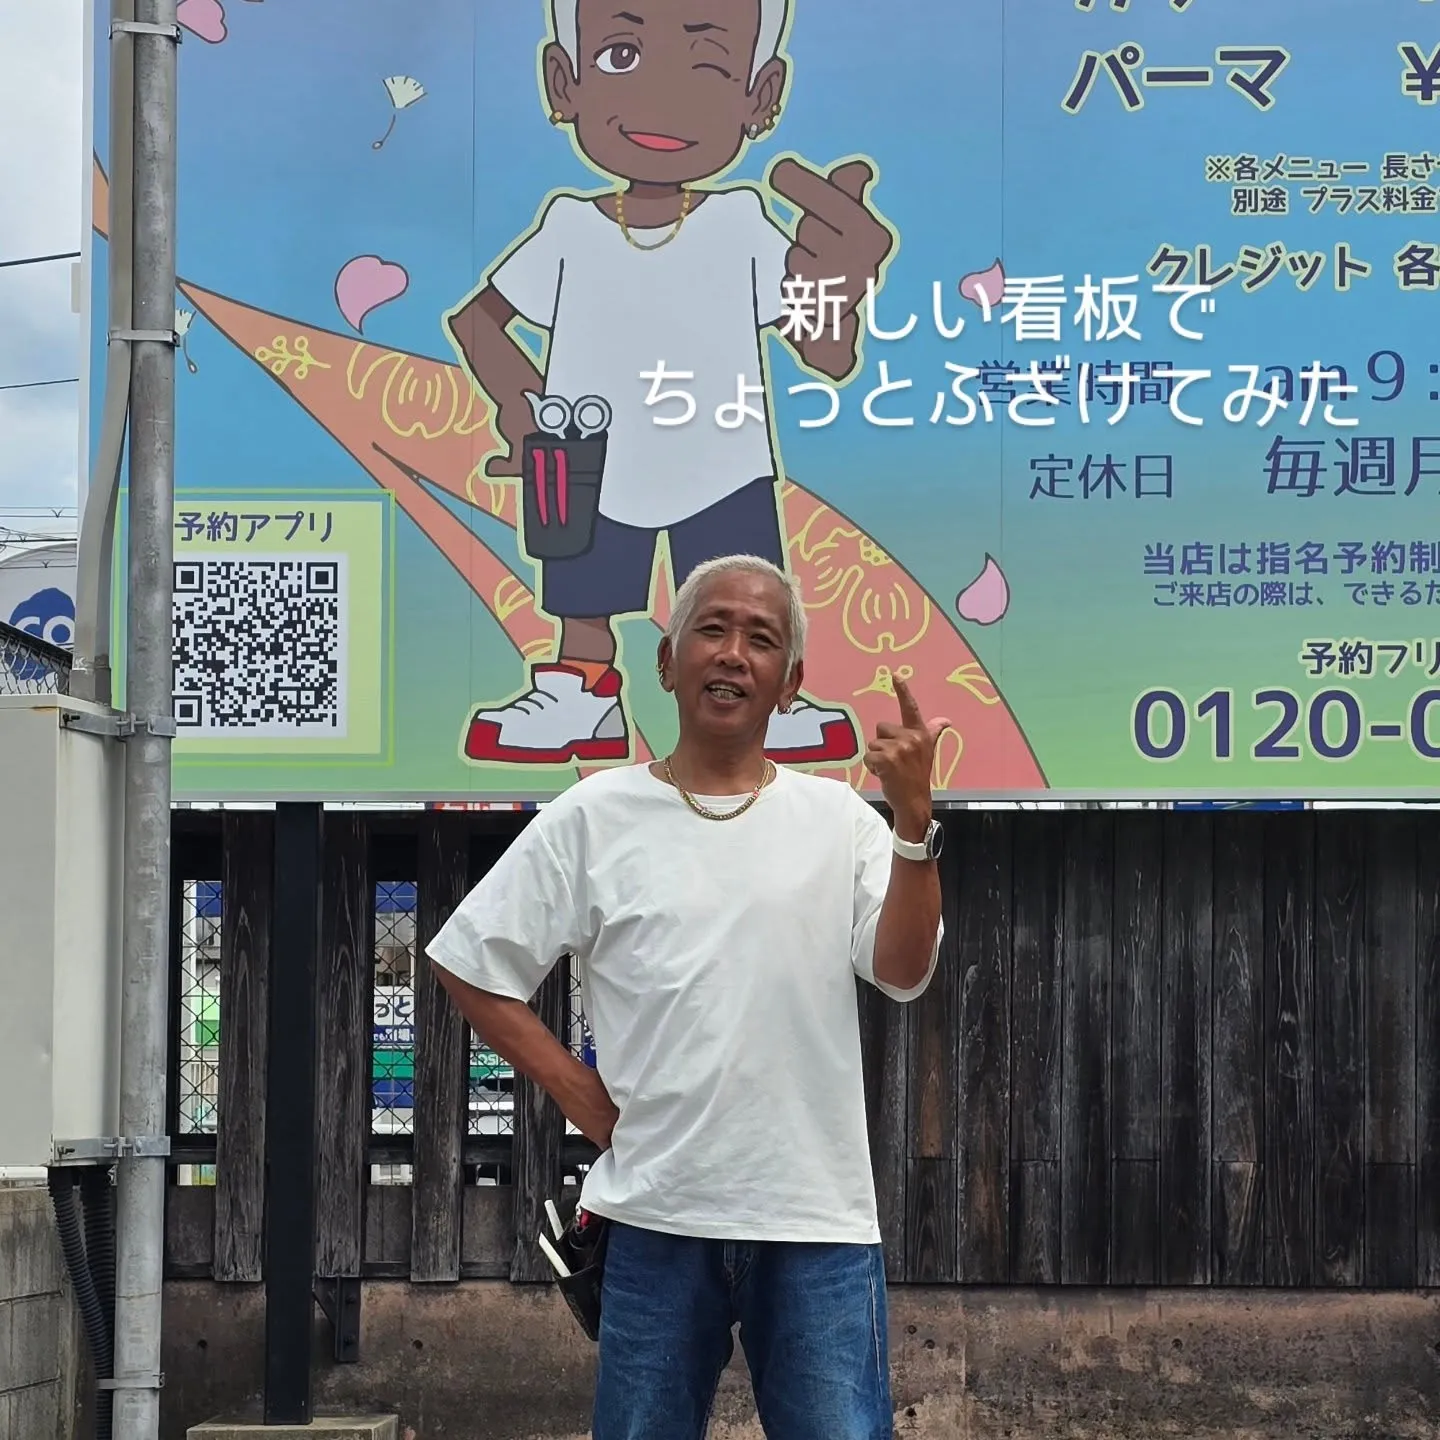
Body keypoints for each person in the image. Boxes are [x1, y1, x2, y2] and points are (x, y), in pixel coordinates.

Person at [426, 553, 950, 1440]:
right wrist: (576, 1091)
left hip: (814, 1216)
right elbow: (470, 963)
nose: (733, 653)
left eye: (761, 639)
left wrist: (912, 825)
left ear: (790, 684)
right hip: (655, 1212)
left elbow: (904, 970)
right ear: (667, 664)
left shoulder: (840, 823)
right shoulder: (594, 815)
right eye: (712, 628)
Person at [446, 0, 893, 769]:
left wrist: (842, 281)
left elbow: (825, 350)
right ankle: (582, 691)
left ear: (761, 96)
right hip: (592, 462)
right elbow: (478, 322)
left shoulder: (741, 222)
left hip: (720, 461)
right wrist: (527, 412)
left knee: (742, 594)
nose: (662, 97)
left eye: (708, 66)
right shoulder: (571, 227)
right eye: (621, 56)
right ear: (563, 81)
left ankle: (770, 700)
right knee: (583, 594)